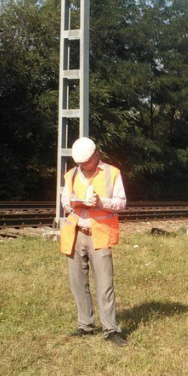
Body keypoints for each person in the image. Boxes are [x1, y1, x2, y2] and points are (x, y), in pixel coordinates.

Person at [59, 137, 128, 346]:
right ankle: (85, 325)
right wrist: (71, 204)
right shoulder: (70, 175)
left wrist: (100, 202)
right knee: (77, 283)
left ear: (96, 155)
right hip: (75, 233)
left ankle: (111, 329)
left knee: (105, 284)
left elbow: (121, 203)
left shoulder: (112, 173)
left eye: (86, 162)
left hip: (99, 234)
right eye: (79, 163)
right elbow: (64, 199)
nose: (82, 166)